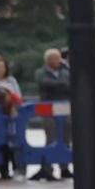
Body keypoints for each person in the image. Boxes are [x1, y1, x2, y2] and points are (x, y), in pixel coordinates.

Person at [31, 48, 72, 182]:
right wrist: (61, 85)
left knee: (66, 138)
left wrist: (60, 86)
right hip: (48, 109)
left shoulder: (65, 72)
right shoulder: (40, 73)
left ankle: (64, 167)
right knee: (51, 137)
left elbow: (70, 86)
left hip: (64, 108)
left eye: (59, 58)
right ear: (48, 60)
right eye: (55, 58)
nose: (58, 61)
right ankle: (47, 167)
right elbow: (45, 84)